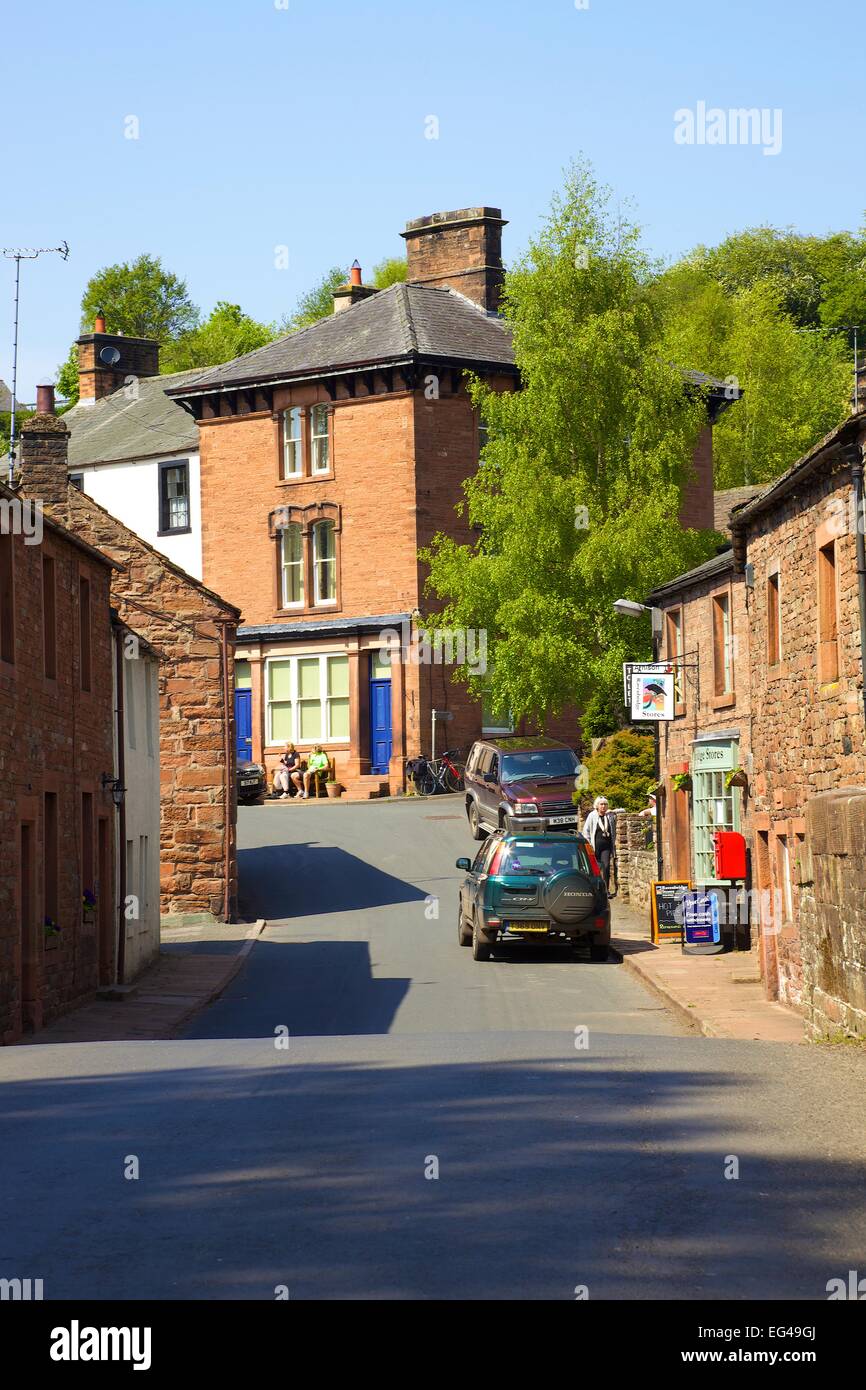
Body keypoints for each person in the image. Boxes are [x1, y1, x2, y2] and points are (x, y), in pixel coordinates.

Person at [581, 796, 617, 891]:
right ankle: (595, 889)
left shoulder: (609, 815)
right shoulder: (592, 815)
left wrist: (613, 811)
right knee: (595, 869)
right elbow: (586, 831)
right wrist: (588, 845)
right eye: (601, 804)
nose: (603, 806)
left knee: (606, 867)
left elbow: (623, 811)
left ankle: (606, 890)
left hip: (606, 847)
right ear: (597, 805)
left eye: (605, 804)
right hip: (594, 847)